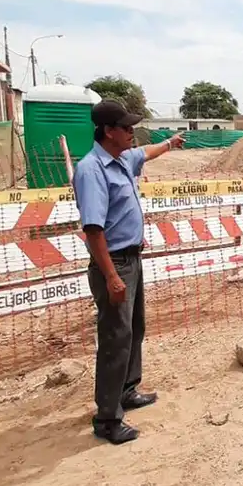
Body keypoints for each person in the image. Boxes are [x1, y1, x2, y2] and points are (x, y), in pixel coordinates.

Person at [73, 99, 183, 445]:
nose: (132, 132)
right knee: (114, 340)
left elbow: (146, 153)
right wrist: (111, 276)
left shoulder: (121, 159)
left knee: (134, 329)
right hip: (114, 264)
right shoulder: (92, 170)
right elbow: (93, 230)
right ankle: (107, 418)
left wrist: (170, 144)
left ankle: (127, 390)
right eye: (126, 127)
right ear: (108, 131)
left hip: (131, 259)